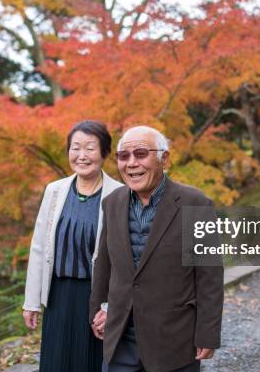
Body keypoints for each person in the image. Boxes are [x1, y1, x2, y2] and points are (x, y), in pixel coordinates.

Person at [89, 126, 224, 372]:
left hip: (173, 340)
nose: (131, 163)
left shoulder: (196, 203)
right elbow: (105, 263)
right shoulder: (112, 203)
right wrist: (98, 308)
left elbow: (209, 277)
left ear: (165, 159)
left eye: (141, 154)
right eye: (123, 156)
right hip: (121, 339)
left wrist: (208, 333)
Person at [23, 120, 123, 372]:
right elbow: (39, 248)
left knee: (89, 363)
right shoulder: (55, 191)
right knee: (55, 362)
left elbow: (125, 261)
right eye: (75, 147)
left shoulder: (120, 195)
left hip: (96, 298)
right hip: (58, 296)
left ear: (104, 152)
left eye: (90, 148)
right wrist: (32, 301)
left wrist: (111, 306)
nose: (81, 155)